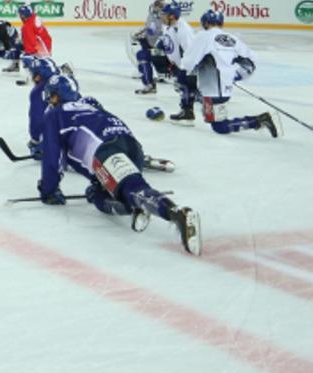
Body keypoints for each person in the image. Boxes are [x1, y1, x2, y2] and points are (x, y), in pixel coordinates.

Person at [36, 74, 202, 256]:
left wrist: (49, 191)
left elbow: (53, 156)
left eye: (51, 96)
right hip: (132, 147)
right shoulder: (90, 103)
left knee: (134, 188)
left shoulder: (54, 115)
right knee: (97, 193)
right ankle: (133, 204)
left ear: (58, 96)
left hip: (105, 151)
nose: (50, 102)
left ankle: (176, 213)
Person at [165, 10, 277, 137]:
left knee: (220, 127)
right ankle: (188, 110)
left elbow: (187, 63)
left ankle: (258, 120)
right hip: (225, 90)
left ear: (205, 23)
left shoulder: (204, 36)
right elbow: (253, 61)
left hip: (211, 91)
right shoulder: (233, 38)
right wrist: (234, 75)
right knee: (190, 86)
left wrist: (184, 70)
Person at [155, 0, 198, 123]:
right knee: (181, 86)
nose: (161, 17)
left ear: (172, 16)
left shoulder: (183, 30)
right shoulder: (168, 26)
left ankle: (188, 111)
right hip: (178, 64)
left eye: (164, 14)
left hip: (186, 65)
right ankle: (187, 110)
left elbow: (190, 50)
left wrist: (187, 69)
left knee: (185, 85)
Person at [132, 0, 173, 95]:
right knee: (141, 54)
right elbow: (149, 27)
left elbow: (163, 35)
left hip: (163, 50)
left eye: (158, 6)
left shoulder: (165, 19)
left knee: (142, 56)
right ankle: (149, 80)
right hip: (155, 45)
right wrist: (142, 33)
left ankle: (150, 83)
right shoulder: (153, 15)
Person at [17, 4, 52, 68]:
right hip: (46, 45)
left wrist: (28, 55)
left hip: (40, 51)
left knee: (25, 59)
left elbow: (31, 43)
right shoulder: (34, 17)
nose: (19, 16)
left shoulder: (26, 27)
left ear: (24, 15)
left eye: (20, 14)